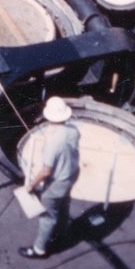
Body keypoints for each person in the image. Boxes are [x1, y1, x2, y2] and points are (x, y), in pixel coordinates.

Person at [19, 96, 80, 259]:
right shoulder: (74, 130)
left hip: (56, 183)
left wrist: (31, 185)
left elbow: (46, 170)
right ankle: (63, 229)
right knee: (64, 203)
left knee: (47, 216)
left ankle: (39, 249)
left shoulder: (52, 144)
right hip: (72, 175)